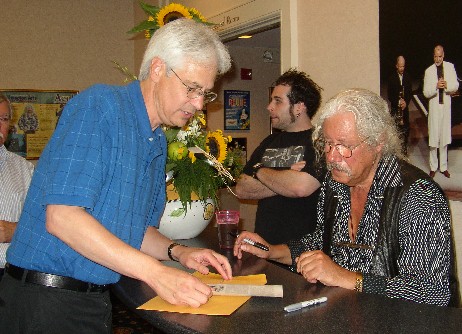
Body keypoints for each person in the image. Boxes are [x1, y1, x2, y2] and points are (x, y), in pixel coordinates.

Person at [0, 19, 233, 333]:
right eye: (192, 89)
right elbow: (62, 217)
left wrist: (180, 252)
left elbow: (135, 231)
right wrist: (156, 273)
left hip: (92, 302)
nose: (199, 104)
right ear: (157, 69)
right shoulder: (100, 108)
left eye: (205, 94)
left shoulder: (156, 140)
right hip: (43, 303)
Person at [234, 88, 458, 307]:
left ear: (378, 142)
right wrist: (272, 251)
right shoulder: (336, 185)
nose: (332, 157)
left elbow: (433, 293)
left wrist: (344, 277)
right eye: (328, 144)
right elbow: (319, 242)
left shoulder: (418, 195)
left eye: (344, 146)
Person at [235, 69, 324, 244]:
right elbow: (242, 188)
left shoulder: (319, 142)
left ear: (299, 107)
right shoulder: (269, 141)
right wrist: (287, 176)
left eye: (278, 101)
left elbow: (301, 187)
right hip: (263, 247)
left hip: (301, 255)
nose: (269, 107)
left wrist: (259, 170)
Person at [0, 93, 34, 276]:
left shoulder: (25, 169)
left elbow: (43, 223)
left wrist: (15, 231)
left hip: (11, 275)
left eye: (3, 119)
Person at [423, 45, 459, 178]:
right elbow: (426, 93)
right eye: (435, 56)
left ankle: (443, 167)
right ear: (433, 56)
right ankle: (433, 167)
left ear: (443, 56)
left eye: (440, 56)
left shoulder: (450, 67)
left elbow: (456, 85)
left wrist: (447, 85)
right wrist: (436, 86)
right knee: (434, 139)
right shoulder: (428, 71)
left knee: (444, 138)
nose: (438, 59)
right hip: (434, 109)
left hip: (445, 107)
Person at [387, 55, 413, 153]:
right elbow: (390, 95)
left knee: (406, 129)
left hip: (404, 108)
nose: (402, 68)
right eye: (400, 66)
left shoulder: (408, 77)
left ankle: (404, 148)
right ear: (396, 66)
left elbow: (410, 93)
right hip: (395, 109)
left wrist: (406, 102)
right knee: (396, 129)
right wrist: (398, 102)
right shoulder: (391, 78)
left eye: (403, 66)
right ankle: (396, 150)